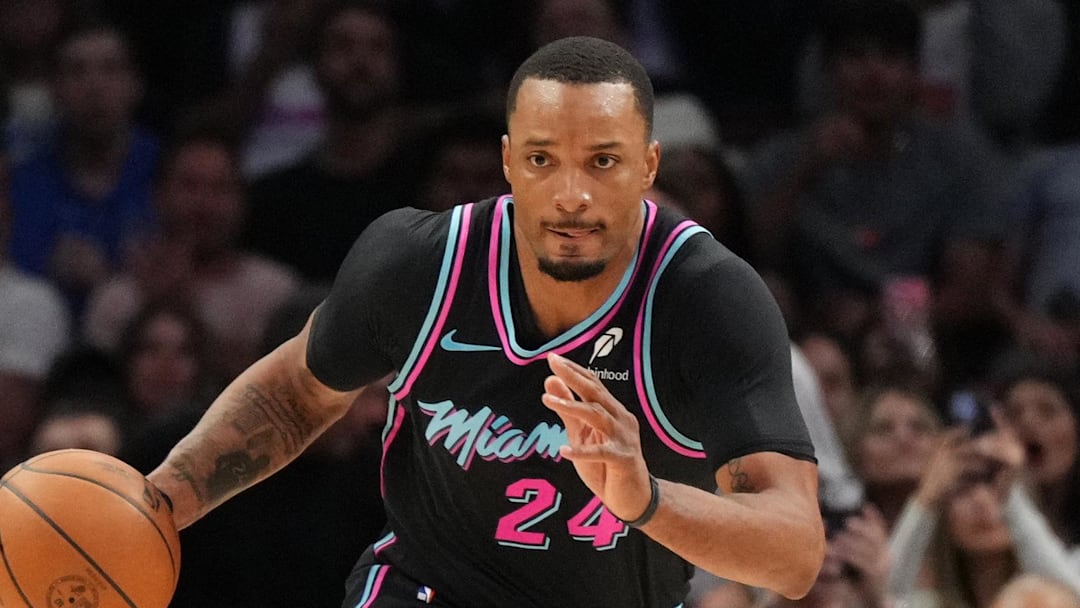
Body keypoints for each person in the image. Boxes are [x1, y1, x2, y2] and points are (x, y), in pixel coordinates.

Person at [145, 36, 824, 607]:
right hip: (427, 590)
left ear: (649, 166)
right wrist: (159, 505)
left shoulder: (708, 299)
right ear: (507, 162)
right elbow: (295, 392)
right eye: (541, 159)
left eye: (603, 161)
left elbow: (794, 551)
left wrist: (646, 497)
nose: (570, 195)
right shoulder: (419, 262)